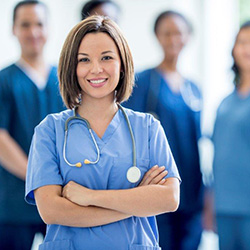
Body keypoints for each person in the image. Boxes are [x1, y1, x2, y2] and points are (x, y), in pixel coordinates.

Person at [25, 15, 180, 249]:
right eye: (84, 60)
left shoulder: (148, 128)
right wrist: (136, 201)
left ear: (122, 63)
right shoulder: (49, 131)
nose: (96, 69)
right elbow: (51, 211)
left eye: (106, 57)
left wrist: (90, 197)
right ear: (71, 67)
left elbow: (169, 199)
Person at [124, 10, 203, 250]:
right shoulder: (144, 82)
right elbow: (131, 135)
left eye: (178, 33)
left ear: (188, 37)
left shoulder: (193, 88)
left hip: (192, 191)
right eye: (166, 33)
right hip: (158, 188)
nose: (173, 39)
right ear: (157, 37)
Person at [0, 1, 65, 249]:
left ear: (48, 29)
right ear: (14, 30)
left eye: (39, 24)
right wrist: (38, 178)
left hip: (61, 203)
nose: (33, 32)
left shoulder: (64, 80)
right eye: (25, 25)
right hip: (14, 203)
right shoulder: (5, 81)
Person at [212, 21, 250, 250]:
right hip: (224, 207)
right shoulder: (225, 102)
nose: (247, 49)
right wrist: (210, 202)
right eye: (243, 42)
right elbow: (217, 156)